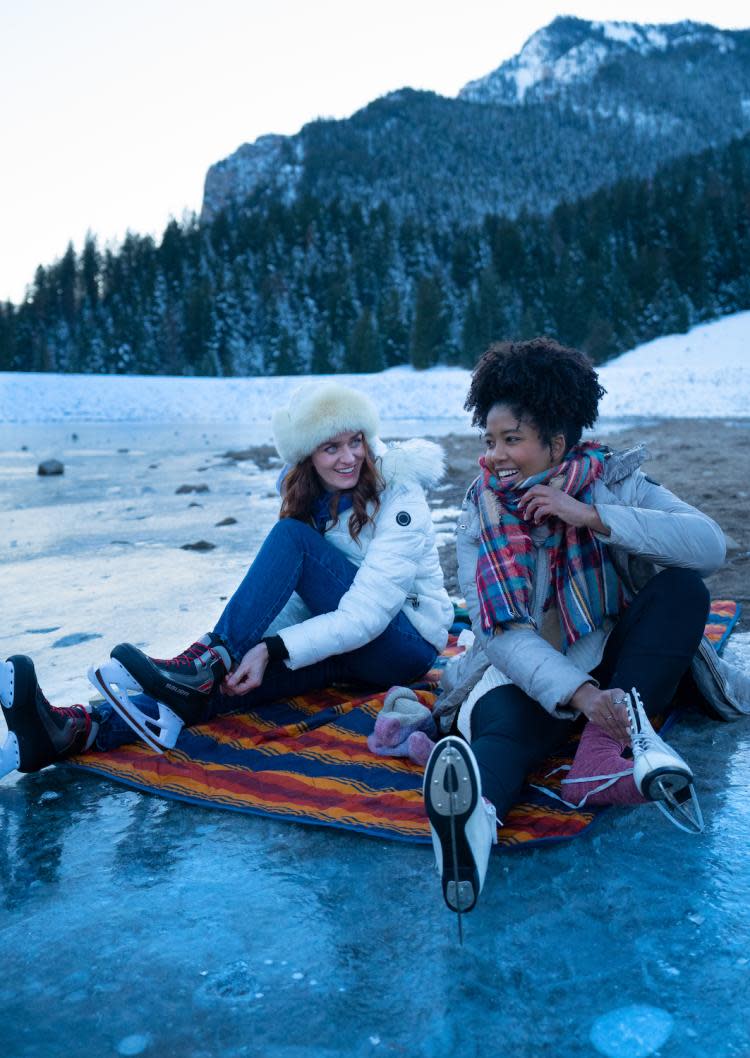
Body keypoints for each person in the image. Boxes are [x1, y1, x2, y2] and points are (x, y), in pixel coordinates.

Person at [423, 337, 749, 918]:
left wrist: (594, 517)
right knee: (502, 727)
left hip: (614, 651)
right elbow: (499, 633)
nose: (494, 456)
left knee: (681, 592)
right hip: (527, 671)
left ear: (558, 441)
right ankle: (470, 826)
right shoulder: (483, 511)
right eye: (490, 440)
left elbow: (709, 546)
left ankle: (601, 757)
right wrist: (581, 694)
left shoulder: (612, 482)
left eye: (512, 440)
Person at [1, 382, 455, 773]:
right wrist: (252, 651)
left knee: (288, 541)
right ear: (308, 456)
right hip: (344, 646)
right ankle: (75, 729)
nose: (348, 457)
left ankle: (206, 658)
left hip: (401, 644)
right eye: (330, 447)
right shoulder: (315, 500)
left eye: (354, 441)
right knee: (234, 682)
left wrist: (271, 646)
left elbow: (367, 615)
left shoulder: (399, 491)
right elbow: (300, 598)